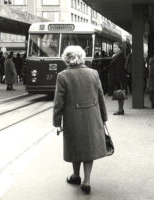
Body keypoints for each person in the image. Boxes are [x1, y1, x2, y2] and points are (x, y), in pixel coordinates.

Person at [53, 45, 108, 195]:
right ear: (82, 57)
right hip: (93, 116)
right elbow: (100, 96)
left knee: (75, 146)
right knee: (89, 148)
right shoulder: (94, 73)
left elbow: (59, 101)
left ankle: (76, 176)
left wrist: (57, 122)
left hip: (73, 117)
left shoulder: (63, 76)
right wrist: (103, 117)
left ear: (66, 59)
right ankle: (87, 180)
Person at [108, 42, 127, 115]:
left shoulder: (119, 56)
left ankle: (120, 109)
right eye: (113, 47)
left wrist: (117, 79)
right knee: (119, 93)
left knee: (120, 93)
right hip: (117, 77)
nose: (114, 48)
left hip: (119, 78)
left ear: (120, 48)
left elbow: (119, 68)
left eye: (116, 47)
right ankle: (120, 109)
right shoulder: (115, 55)